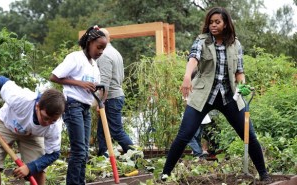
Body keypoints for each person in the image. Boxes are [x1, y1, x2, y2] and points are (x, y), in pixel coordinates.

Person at [161, 7, 270, 182]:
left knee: (249, 135)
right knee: (184, 135)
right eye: (211, 22)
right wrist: (187, 76)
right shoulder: (202, 41)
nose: (213, 25)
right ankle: (164, 175)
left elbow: (239, 72)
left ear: (226, 24)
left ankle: (264, 174)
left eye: (217, 22)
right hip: (203, 96)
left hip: (229, 97)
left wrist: (243, 86)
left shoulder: (236, 44)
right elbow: (193, 59)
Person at [0, 75, 66, 185]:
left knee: (38, 170)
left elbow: (54, 154)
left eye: (52, 120)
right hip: (6, 124)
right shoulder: (21, 98)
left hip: (33, 135)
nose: (47, 123)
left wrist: (30, 167)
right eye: (45, 118)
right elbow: (0, 81)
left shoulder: (54, 126)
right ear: (37, 106)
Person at [49, 25, 107, 185]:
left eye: (103, 49)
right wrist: (80, 84)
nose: (101, 51)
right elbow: (54, 77)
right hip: (72, 105)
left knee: (85, 151)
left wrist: (99, 91)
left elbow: (94, 85)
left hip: (85, 107)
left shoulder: (94, 64)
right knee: (79, 150)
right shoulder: (75, 58)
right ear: (89, 43)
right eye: (99, 47)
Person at [96, 28, 134, 157]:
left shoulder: (104, 55)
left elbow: (104, 82)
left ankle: (135, 154)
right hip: (115, 95)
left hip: (110, 97)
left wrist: (101, 101)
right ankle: (103, 156)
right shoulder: (115, 52)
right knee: (102, 131)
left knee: (116, 131)